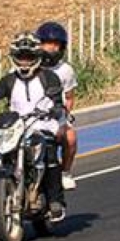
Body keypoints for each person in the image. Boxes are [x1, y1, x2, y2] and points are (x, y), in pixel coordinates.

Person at [0, 32, 67, 220]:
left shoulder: (49, 78)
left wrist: (56, 110)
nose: (24, 62)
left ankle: (56, 200)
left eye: (29, 57)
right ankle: (1, 197)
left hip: (41, 123)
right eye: (20, 57)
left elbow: (58, 101)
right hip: (15, 126)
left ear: (37, 57)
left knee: (48, 151)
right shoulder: (8, 80)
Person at [35, 21, 79, 191]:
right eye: (47, 43)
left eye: (55, 44)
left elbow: (69, 97)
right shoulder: (29, 65)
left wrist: (64, 115)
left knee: (71, 138)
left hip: (55, 115)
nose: (51, 48)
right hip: (31, 116)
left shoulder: (66, 70)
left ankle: (65, 173)